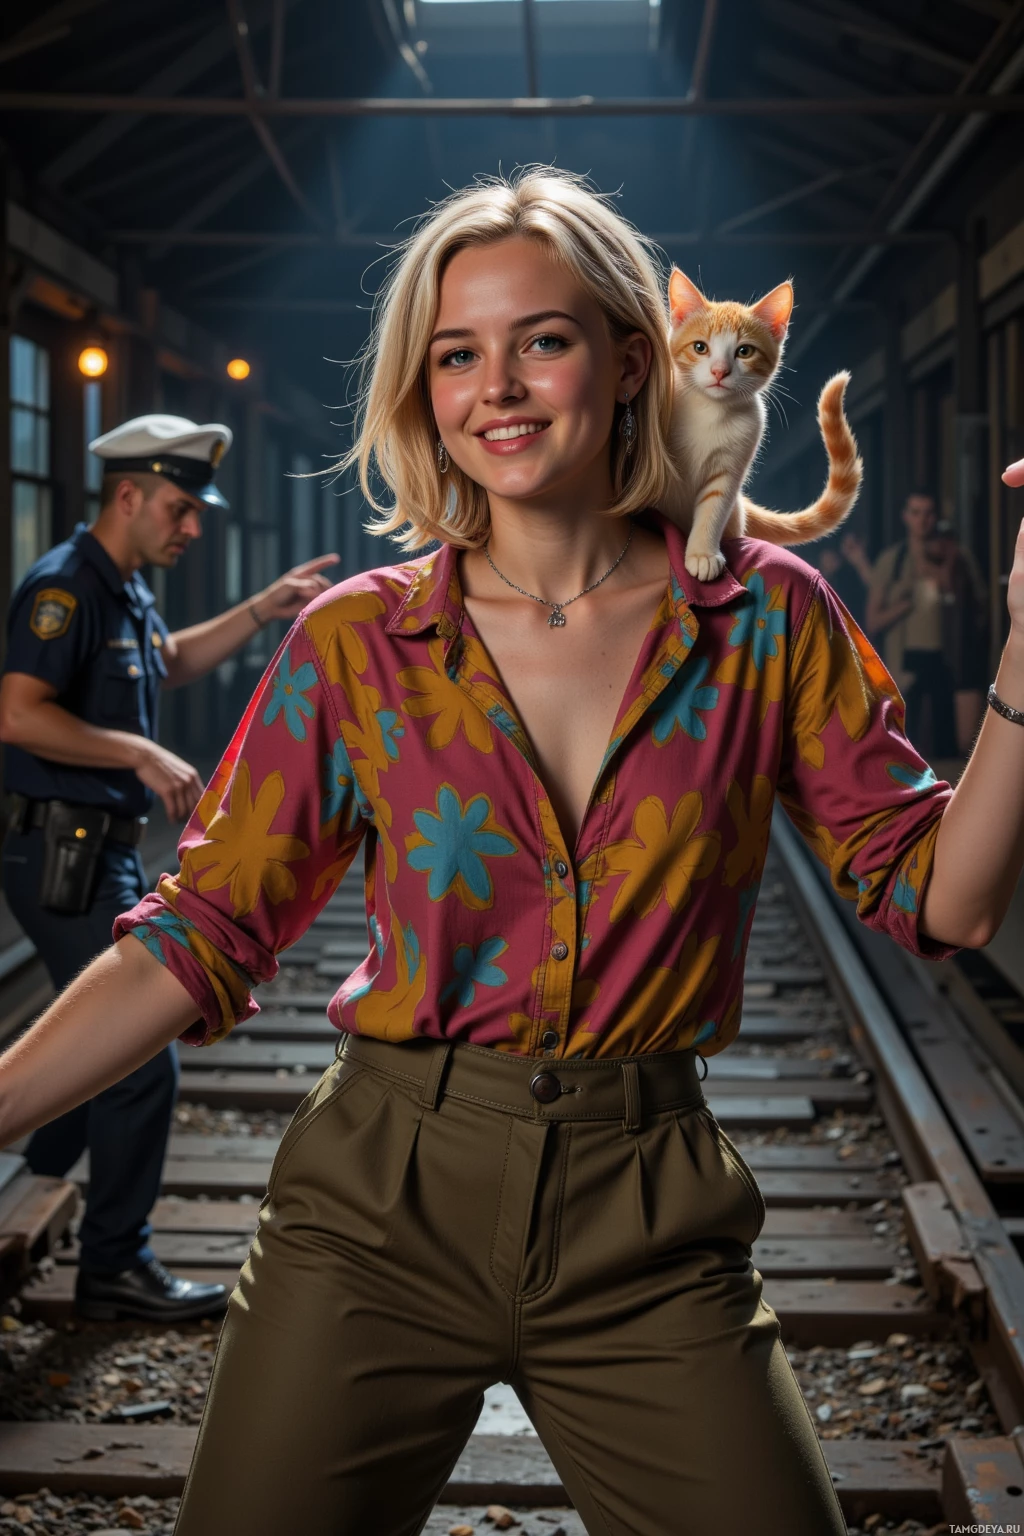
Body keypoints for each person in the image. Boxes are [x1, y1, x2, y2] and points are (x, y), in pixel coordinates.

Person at [2, 171, 1024, 1536]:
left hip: (649, 1223)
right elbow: (197, 937)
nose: (499, 386)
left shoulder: (768, 618)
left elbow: (942, 899)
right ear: (425, 390)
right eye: (455, 353)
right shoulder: (356, 644)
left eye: (539, 338)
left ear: (626, 356)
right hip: (377, 1204)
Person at [0, 414, 338, 1323]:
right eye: (182, 510)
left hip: (94, 845)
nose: (191, 528)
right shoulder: (66, 587)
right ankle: (117, 1265)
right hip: (59, 850)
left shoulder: (126, 590)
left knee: (93, 1048)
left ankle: (32, 1190)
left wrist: (262, 610)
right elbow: (18, 713)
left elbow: (171, 660)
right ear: (129, 496)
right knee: (137, 1057)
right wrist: (138, 754)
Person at [866, 490, 959, 759]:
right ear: (906, 517)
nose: (923, 521)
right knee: (907, 745)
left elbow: (967, 605)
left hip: (944, 660)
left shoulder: (952, 556)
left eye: (929, 513)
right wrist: (903, 606)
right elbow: (872, 621)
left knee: (947, 747)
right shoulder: (892, 561)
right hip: (904, 664)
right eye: (916, 513)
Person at [817, 529, 872, 629]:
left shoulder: (856, 571)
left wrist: (861, 563)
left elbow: (875, 591)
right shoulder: (822, 578)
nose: (847, 551)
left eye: (852, 546)